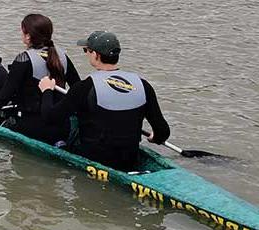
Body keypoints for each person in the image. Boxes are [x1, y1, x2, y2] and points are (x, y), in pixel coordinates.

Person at [38, 31, 170, 171]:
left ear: (96, 55)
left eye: (86, 50)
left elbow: (49, 117)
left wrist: (47, 90)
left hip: (95, 160)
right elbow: (163, 132)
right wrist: (155, 138)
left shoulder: (84, 88)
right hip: (129, 159)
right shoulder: (143, 85)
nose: (86, 54)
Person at [0, 14, 81, 146]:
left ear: (28, 36)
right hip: (63, 128)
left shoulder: (23, 59)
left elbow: (5, 95)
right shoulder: (62, 56)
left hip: (33, 127)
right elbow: (77, 89)